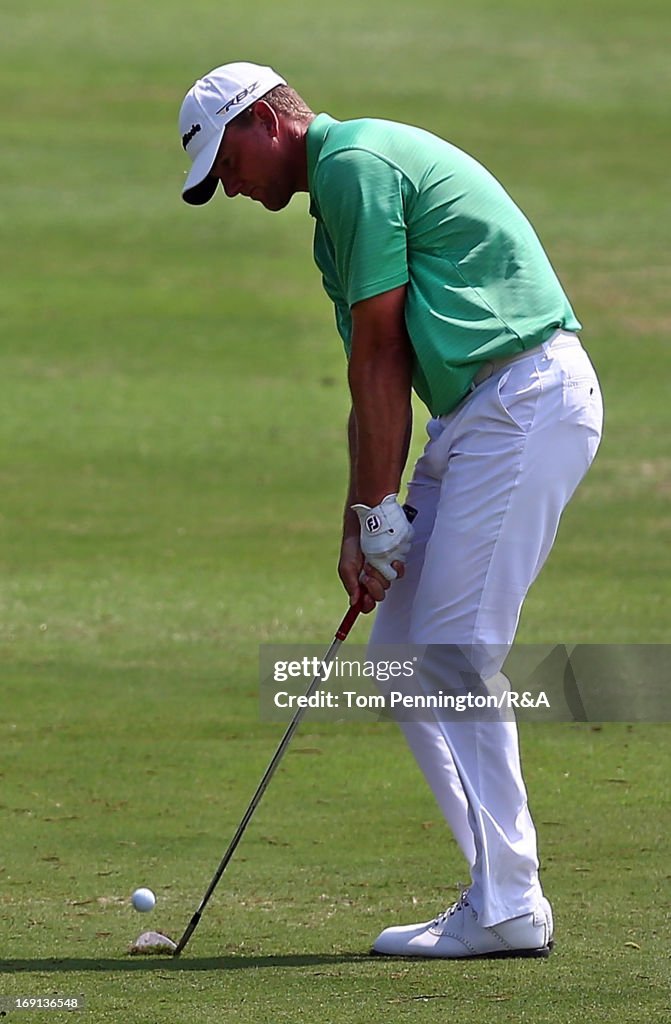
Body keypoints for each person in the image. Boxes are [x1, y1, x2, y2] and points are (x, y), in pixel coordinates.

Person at [178, 61, 603, 958]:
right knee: (403, 659)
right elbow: (374, 380)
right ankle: (496, 894)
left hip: (522, 397)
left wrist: (382, 512)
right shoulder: (332, 224)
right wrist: (358, 525)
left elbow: (379, 349)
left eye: (227, 161)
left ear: (266, 120)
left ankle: (510, 903)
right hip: (472, 417)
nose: (230, 186)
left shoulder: (354, 163)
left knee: (453, 648)